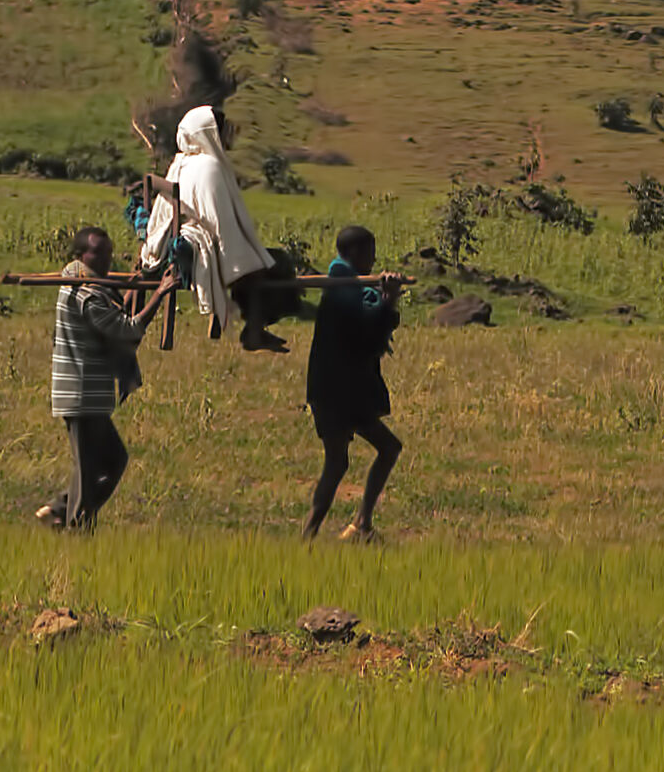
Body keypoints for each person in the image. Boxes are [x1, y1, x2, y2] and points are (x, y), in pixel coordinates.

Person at [36, 225, 181, 530]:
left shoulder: (84, 279)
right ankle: (74, 526)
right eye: (98, 254)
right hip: (82, 394)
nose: (105, 260)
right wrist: (159, 293)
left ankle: (62, 510)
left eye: (108, 254)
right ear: (80, 255)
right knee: (88, 469)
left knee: (113, 460)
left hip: (88, 394)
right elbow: (125, 330)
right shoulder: (85, 292)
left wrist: (135, 286)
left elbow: (113, 312)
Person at [137, 105, 295, 352]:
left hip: (185, 236)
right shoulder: (210, 167)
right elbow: (219, 221)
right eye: (221, 131)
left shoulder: (181, 162)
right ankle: (254, 331)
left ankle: (252, 327)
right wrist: (242, 256)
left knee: (260, 261)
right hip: (201, 242)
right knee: (271, 265)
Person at [301, 224, 407, 542]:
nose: (373, 262)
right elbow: (366, 336)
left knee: (347, 460)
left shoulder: (346, 285)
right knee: (346, 460)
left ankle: (353, 526)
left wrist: (385, 302)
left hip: (338, 389)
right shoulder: (342, 288)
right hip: (339, 392)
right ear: (356, 254)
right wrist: (388, 302)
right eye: (370, 254)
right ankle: (342, 529)